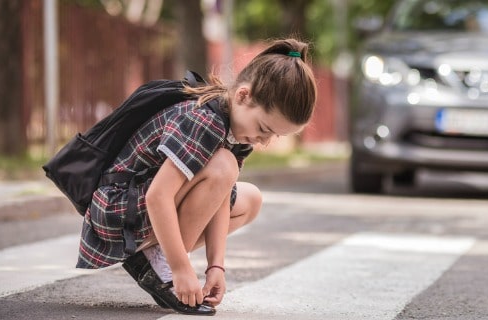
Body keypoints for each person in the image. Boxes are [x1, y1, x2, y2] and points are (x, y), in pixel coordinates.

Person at [75, 38, 317, 316]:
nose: (264, 141)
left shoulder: (235, 130)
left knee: (250, 199)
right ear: (242, 96)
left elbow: (220, 198)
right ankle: (162, 261)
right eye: (264, 128)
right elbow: (158, 196)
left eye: (274, 135)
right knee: (225, 165)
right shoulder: (205, 120)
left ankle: (158, 256)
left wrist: (216, 266)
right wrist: (181, 269)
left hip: (137, 208)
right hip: (117, 210)